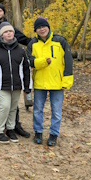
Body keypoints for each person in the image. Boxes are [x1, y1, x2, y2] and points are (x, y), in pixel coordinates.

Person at [0, 3, 31, 138]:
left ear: (4, 13)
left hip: (13, 73)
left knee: (13, 105)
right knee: (3, 105)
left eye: (0, 11)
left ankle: (14, 126)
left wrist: (34, 42)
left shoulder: (11, 30)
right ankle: (0, 128)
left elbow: (23, 39)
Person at [27, 17, 74, 147]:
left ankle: (54, 134)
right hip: (40, 82)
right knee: (37, 110)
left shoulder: (60, 41)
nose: (42, 29)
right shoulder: (33, 43)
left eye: (44, 26)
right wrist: (42, 62)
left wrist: (67, 80)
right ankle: (38, 132)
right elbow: (28, 61)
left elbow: (68, 62)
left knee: (56, 111)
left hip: (57, 82)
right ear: (36, 30)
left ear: (48, 27)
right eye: (39, 28)